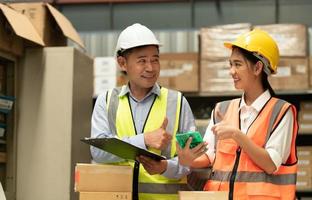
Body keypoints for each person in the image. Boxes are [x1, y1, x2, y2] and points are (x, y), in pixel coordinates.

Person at [177, 29, 298, 200]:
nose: (231, 71)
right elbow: (210, 155)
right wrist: (187, 160)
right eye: (230, 64)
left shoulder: (281, 112)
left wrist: (236, 134)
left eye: (238, 64)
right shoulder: (222, 109)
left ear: (257, 67)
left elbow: (271, 164)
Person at [90, 23, 205, 200]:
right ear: (122, 63)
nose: (151, 68)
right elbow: (98, 152)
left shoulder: (177, 102)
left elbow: (189, 161)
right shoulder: (106, 101)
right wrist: (144, 140)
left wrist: (165, 167)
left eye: (155, 59)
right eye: (142, 60)